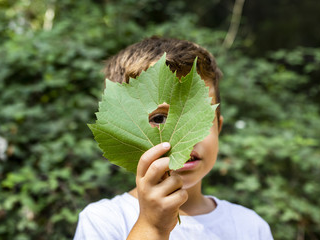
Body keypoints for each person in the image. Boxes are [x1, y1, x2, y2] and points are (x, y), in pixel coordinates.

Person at [74, 36, 273, 240]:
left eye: (198, 117)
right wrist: (152, 227)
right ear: (121, 133)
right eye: (159, 118)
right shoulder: (103, 220)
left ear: (218, 126)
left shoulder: (251, 228)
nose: (180, 137)